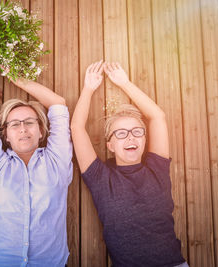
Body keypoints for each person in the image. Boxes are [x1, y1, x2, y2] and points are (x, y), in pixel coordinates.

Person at [71, 60, 188, 266]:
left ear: (144, 139)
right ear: (110, 145)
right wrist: (88, 89)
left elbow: (157, 116)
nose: (130, 138)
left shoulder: (157, 168)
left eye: (137, 132)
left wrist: (124, 83)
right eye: (121, 134)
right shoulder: (101, 178)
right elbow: (77, 128)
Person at [0, 49, 73, 266]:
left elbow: (58, 104)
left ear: (41, 131)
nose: (23, 129)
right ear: (6, 135)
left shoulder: (57, 160)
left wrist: (15, 77)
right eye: (14, 124)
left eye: (29, 122)